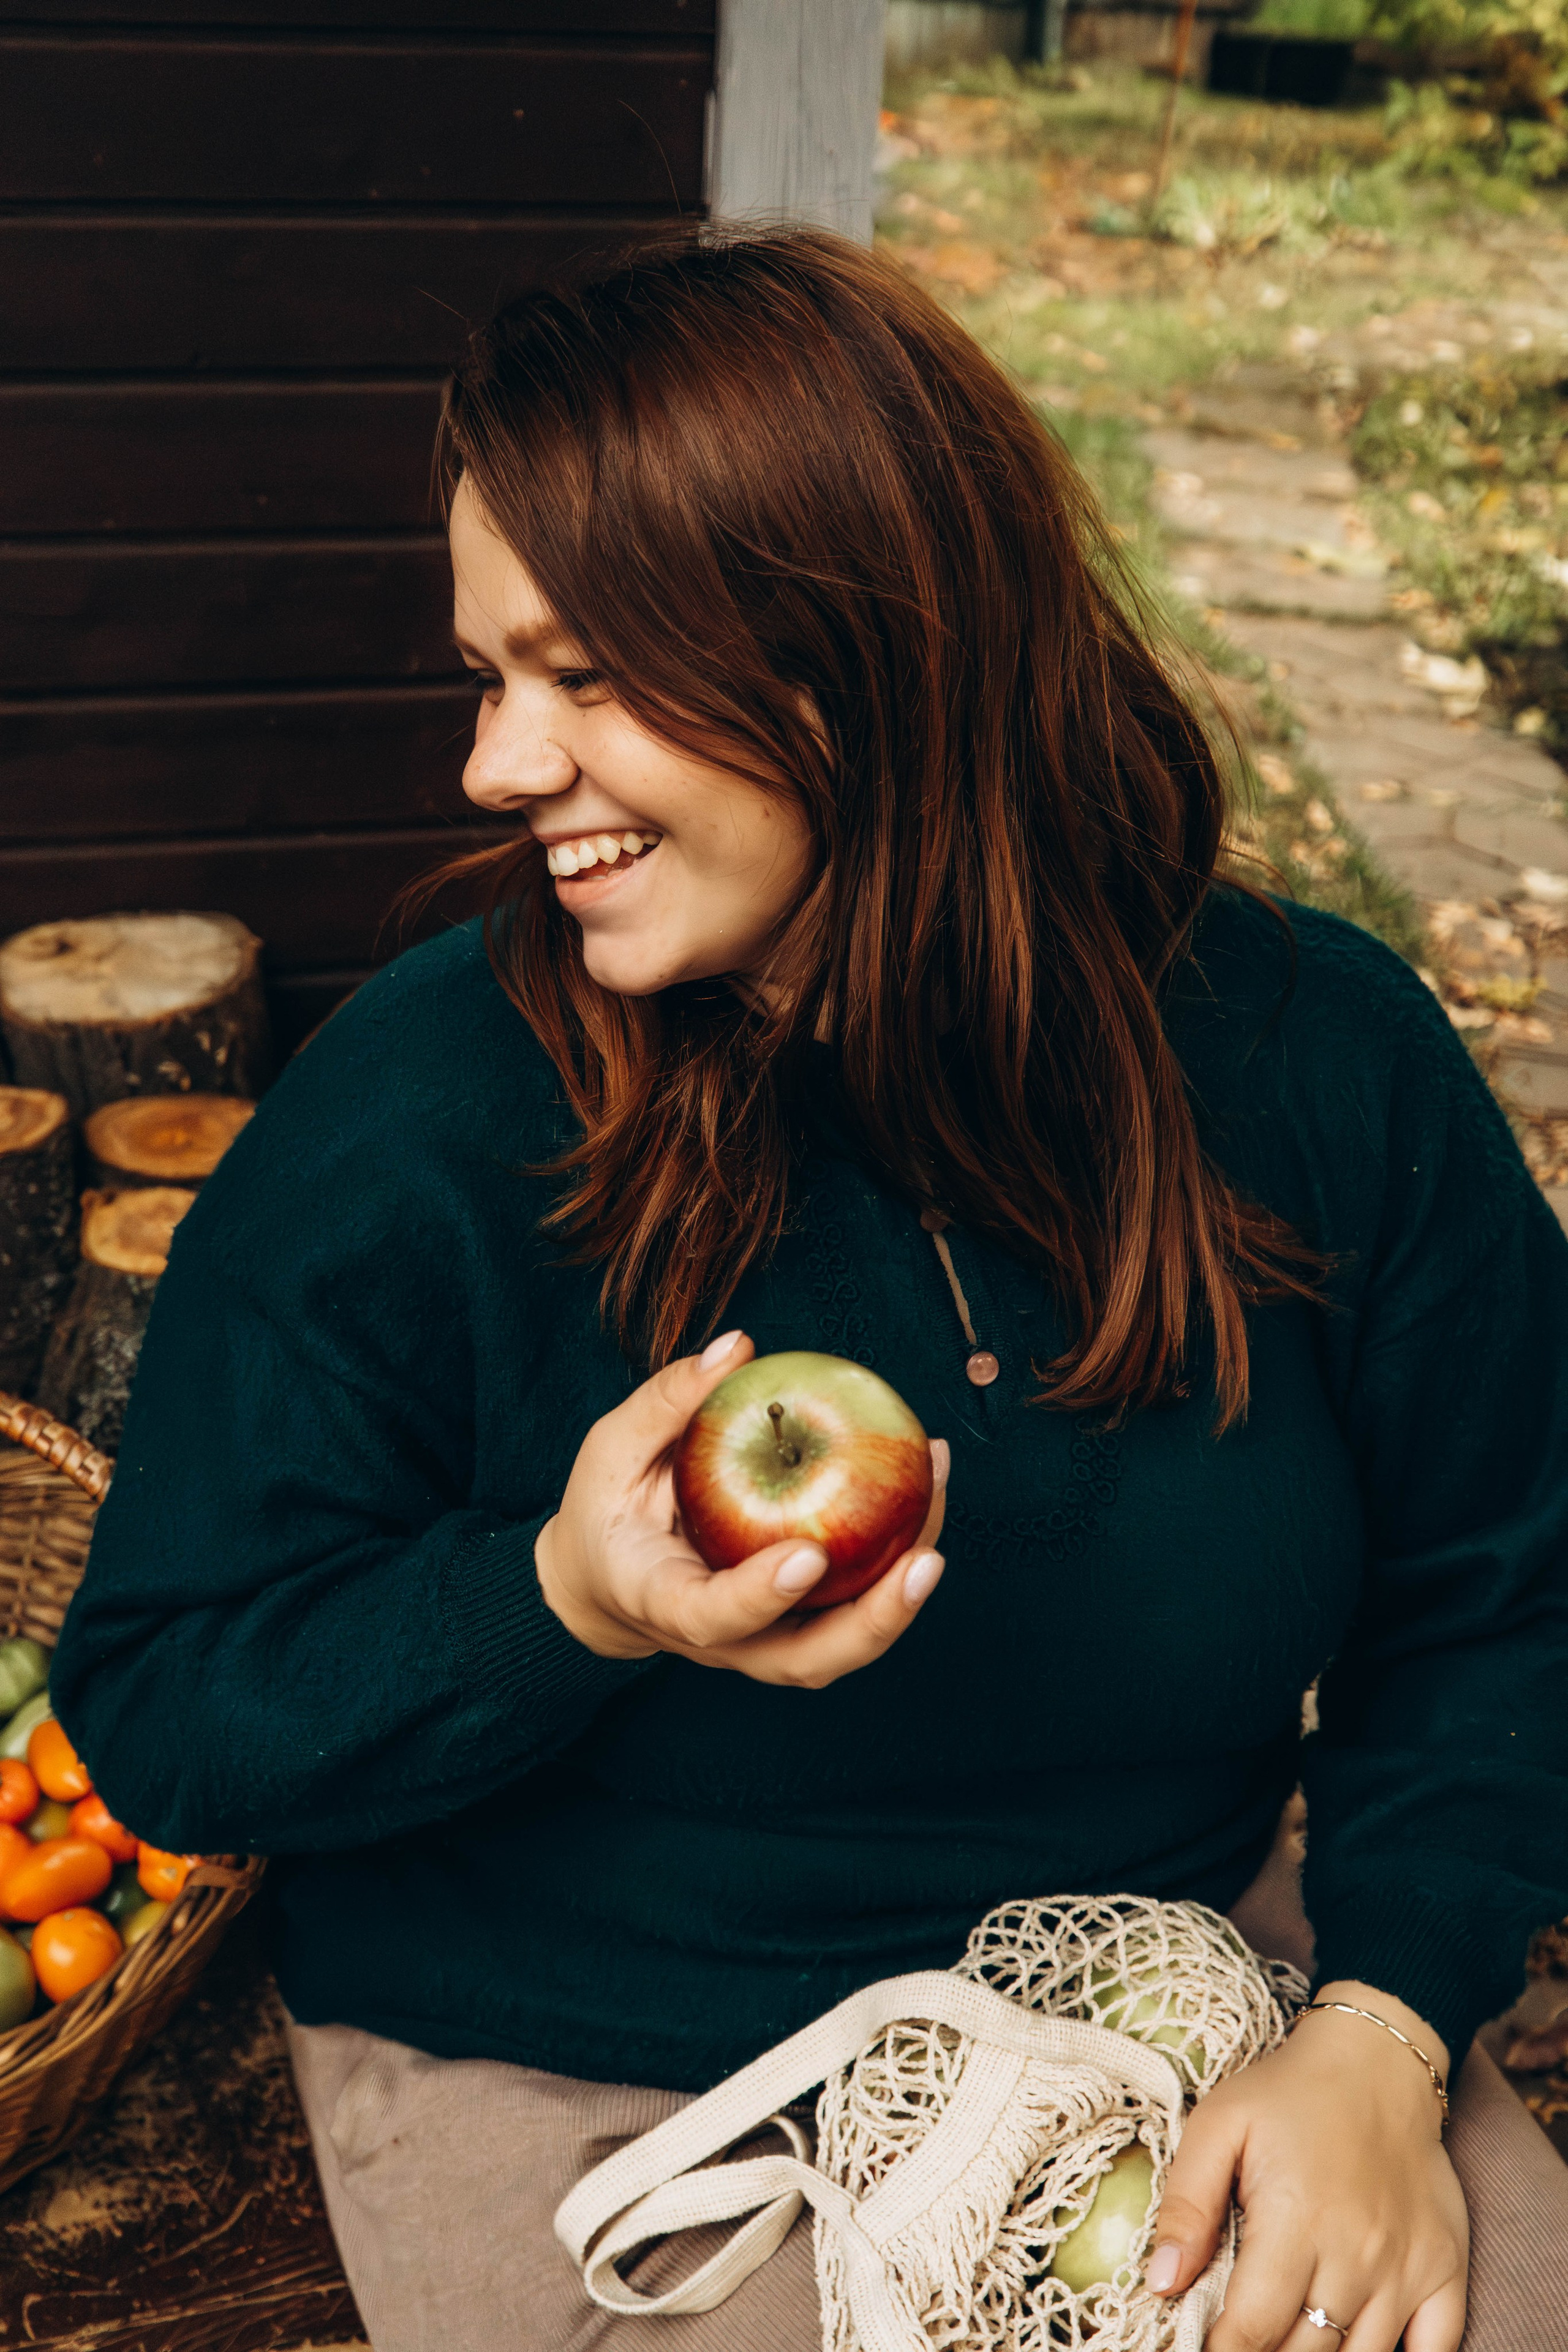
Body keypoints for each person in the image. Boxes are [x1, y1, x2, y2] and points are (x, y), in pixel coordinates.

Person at [53, 229, 1568, 2352]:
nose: (499, 766)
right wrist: (564, 1603)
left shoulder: (1318, 1057)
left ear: (865, 658)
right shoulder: (414, 1118)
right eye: (497, 678)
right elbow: (168, 1702)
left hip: (1195, 1986)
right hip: (607, 2076)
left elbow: (1510, 1583)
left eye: (585, 680)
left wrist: (1388, 2031)